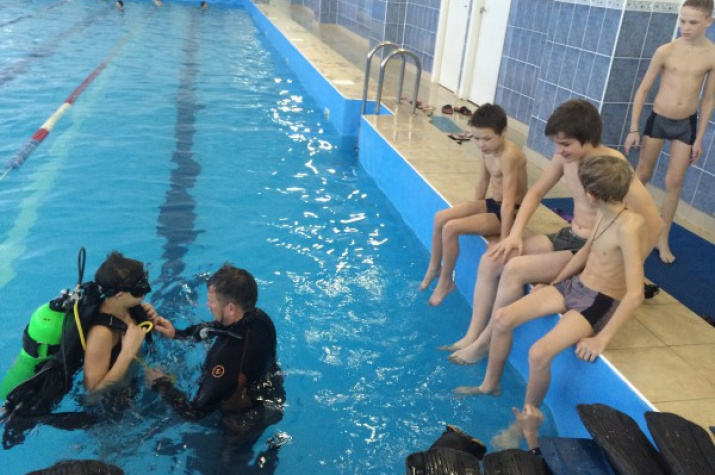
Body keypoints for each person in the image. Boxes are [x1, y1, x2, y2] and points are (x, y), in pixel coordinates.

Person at [441, 100, 662, 365]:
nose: (559, 151)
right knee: (493, 259)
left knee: (515, 269)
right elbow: (536, 193)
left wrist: (624, 270)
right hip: (569, 235)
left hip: (588, 249)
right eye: (557, 144)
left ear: (588, 138)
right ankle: (473, 334)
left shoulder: (612, 168)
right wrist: (514, 235)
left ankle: (486, 342)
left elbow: (654, 223)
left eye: (565, 144)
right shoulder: (565, 157)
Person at [454, 156, 648, 412]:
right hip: (575, 285)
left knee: (539, 353)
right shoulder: (605, 212)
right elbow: (585, 252)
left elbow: (636, 294)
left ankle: (528, 416)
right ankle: (490, 385)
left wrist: (601, 339)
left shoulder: (630, 226)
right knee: (502, 318)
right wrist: (555, 282)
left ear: (591, 194)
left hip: (598, 300)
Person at [147, 264, 284, 442]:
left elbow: (194, 413)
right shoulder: (258, 318)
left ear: (231, 309)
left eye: (212, 301)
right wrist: (178, 334)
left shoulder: (227, 358)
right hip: (271, 394)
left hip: (242, 423)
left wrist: (161, 384)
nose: (208, 305)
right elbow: (220, 328)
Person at [624, 0, 715, 263]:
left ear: (708, 22)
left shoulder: (711, 55)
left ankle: (661, 238)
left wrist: (699, 138)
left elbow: (708, 99)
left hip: (685, 124)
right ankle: (624, 226)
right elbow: (642, 91)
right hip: (659, 120)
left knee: (674, 182)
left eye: (693, 22)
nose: (685, 27)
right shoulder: (666, 50)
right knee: (643, 173)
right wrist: (633, 128)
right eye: (682, 20)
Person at [419, 103, 527, 306]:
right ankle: (434, 268)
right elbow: (483, 181)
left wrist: (504, 240)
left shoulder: (510, 157)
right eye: (476, 138)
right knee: (440, 217)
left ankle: (446, 283)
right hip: (492, 203)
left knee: (451, 228)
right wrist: (473, 213)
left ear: (502, 132)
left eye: (486, 138)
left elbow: (509, 202)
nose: (481, 144)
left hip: (509, 212)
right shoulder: (487, 149)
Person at [84, 252, 153, 394]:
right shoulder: (101, 333)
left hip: (136, 379)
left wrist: (152, 320)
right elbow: (93, 394)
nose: (144, 294)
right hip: (115, 401)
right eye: (138, 292)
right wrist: (128, 352)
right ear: (120, 296)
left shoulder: (128, 308)